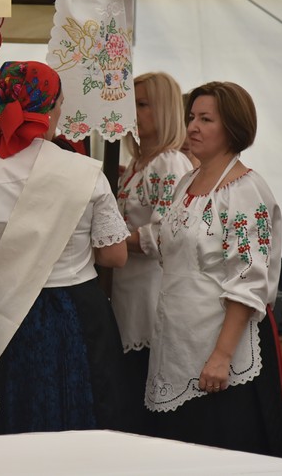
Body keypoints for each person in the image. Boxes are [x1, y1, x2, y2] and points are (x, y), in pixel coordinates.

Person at [0, 61, 131, 434]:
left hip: (7, 316)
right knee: (84, 414)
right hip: (79, 313)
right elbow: (115, 255)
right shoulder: (85, 171)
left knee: (15, 417)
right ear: (51, 107)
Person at [145, 81, 282, 458]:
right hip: (178, 344)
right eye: (192, 117)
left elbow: (249, 278)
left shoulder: (245, 189)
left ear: (232, 127)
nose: (193, 126)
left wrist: (222, 356)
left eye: (206, 119)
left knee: (221, 453)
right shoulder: (186, 183)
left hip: (220, 351)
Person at [110, 72, 193, 435]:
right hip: (129, 293)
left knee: (144, 397)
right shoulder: (139, 165)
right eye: (130, 104)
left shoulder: (169, 163)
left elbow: (166, 233)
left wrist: (113, 240)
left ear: (164, 110)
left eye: (142, 104)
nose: (133, 112)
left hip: (150, 295)